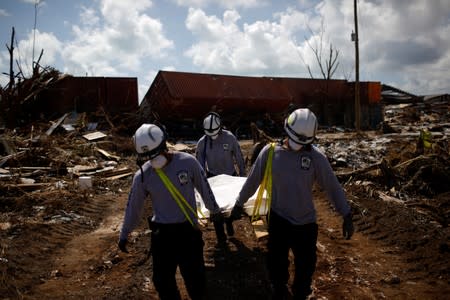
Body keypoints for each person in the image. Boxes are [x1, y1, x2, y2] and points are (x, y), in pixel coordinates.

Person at [230, 108, 354, 300]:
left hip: (306, 224)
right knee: (276, 263)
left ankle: (300, 293)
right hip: (279, 219)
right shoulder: (270, 153)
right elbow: (253, 180)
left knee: (306, 267)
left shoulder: (315, 157)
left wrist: (346, 213)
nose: (298, 146)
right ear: (286, 130)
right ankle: (279, 289)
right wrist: (239, 203)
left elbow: (332, 186)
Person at [118, 123, 223, 300]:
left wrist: (215, 211)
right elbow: (133, 207)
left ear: (165, 145)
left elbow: (205, 188)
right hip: (162, 236)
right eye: (149, 157)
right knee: (162, 282)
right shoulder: (143, 176)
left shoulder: (188, 162)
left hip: (188, 232)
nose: (154, 160)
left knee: (195, 281)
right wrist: (124, 233)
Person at [195, 112, 246, 244]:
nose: (213, 137)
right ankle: (221, 237)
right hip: (213, 180)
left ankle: (229, 222)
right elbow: (199, 165)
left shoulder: (230, 138)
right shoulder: (202, 143)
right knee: (215, 210)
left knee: (230, 206)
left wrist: (242, 178)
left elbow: (239, 157)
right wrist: (200, 184)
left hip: (230, 178)